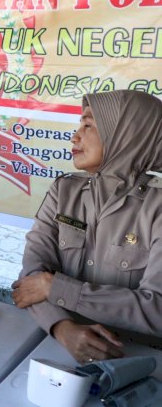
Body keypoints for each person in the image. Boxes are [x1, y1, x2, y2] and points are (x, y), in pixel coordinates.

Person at [12, 90, 162, 363]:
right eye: (79, 125)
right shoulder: (64, 191)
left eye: (89, 125)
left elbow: (157, 309)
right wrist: (62, 327)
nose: (75, 136)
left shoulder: (157, 207)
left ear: (127, 135)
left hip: (132, 358)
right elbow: (31, 278)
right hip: (56, 347)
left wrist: (56, 288)